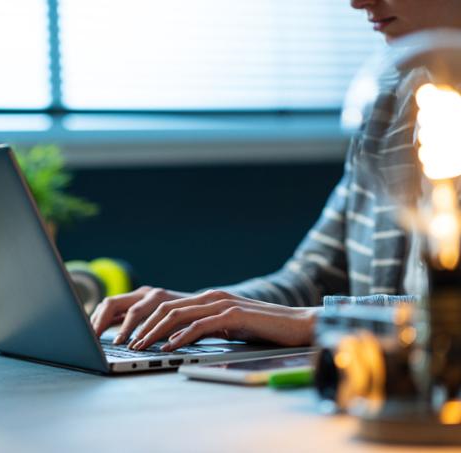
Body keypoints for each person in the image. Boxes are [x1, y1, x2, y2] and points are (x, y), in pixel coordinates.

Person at [90, 0, 461, 352]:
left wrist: (315, 322)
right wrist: (209, 308)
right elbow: (311, 281)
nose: (358, 2)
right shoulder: (389, 104)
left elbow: (309, 314)